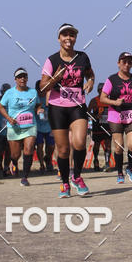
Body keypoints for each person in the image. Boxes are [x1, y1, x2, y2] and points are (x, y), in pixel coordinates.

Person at [40, 23, 95, 198]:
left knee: (79, 143)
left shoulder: (82, 57)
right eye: (65, 35)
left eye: (72, 35)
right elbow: (42, 87)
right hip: (57, 107)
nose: (68, 38)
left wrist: (91, 81)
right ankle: (65, 183)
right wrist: (55, 78)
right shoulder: (52, 60)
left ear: (75, 38)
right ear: (59, 39)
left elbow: (90, 74)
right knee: (63, 150)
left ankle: (77, 177)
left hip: (78, 106)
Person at [100, 52, 132, 183]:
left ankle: (129, 168)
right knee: (119, 147)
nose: (127, 64)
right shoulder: (111, 79)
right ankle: (119, 172)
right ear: (118, 63)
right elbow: (103, 98)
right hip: (115, 116)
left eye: (130, 62)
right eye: (124, 61)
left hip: (131, 115)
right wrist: (114, 102)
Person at [0, 69, 43, 186]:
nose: (22, 79)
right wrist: (8, 118)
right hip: (14, 127)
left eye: (24, 76)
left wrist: (39, 110)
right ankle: (14, 163)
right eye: (19, 77)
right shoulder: (9, 93)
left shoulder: (33, 92)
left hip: (30, 125)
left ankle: (25, 177)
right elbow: (1, 107)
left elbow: (38, 104)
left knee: (28, 150)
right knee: (15, 154)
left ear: (27, 78)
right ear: (15, 80)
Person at [89, 83, 111, 171]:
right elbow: (87, 112)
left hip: (108, 125)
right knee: (97, 145)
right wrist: (94, 116)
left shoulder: (109, 100)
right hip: (97, 125)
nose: (103, 92)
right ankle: (96, 160)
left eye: (104, 90)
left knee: (108, 144)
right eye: (101, 90)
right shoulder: (94, 100)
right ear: (98, 91)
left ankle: (107, 163)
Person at [35, 80, 55, 174]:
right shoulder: (34, 99)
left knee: (51, 146)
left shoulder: (50, 98)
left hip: (49, 127)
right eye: (40, 89)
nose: (42, 91)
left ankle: (48, 158)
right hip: (38, 127)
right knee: (39, 146)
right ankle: (42, 165)